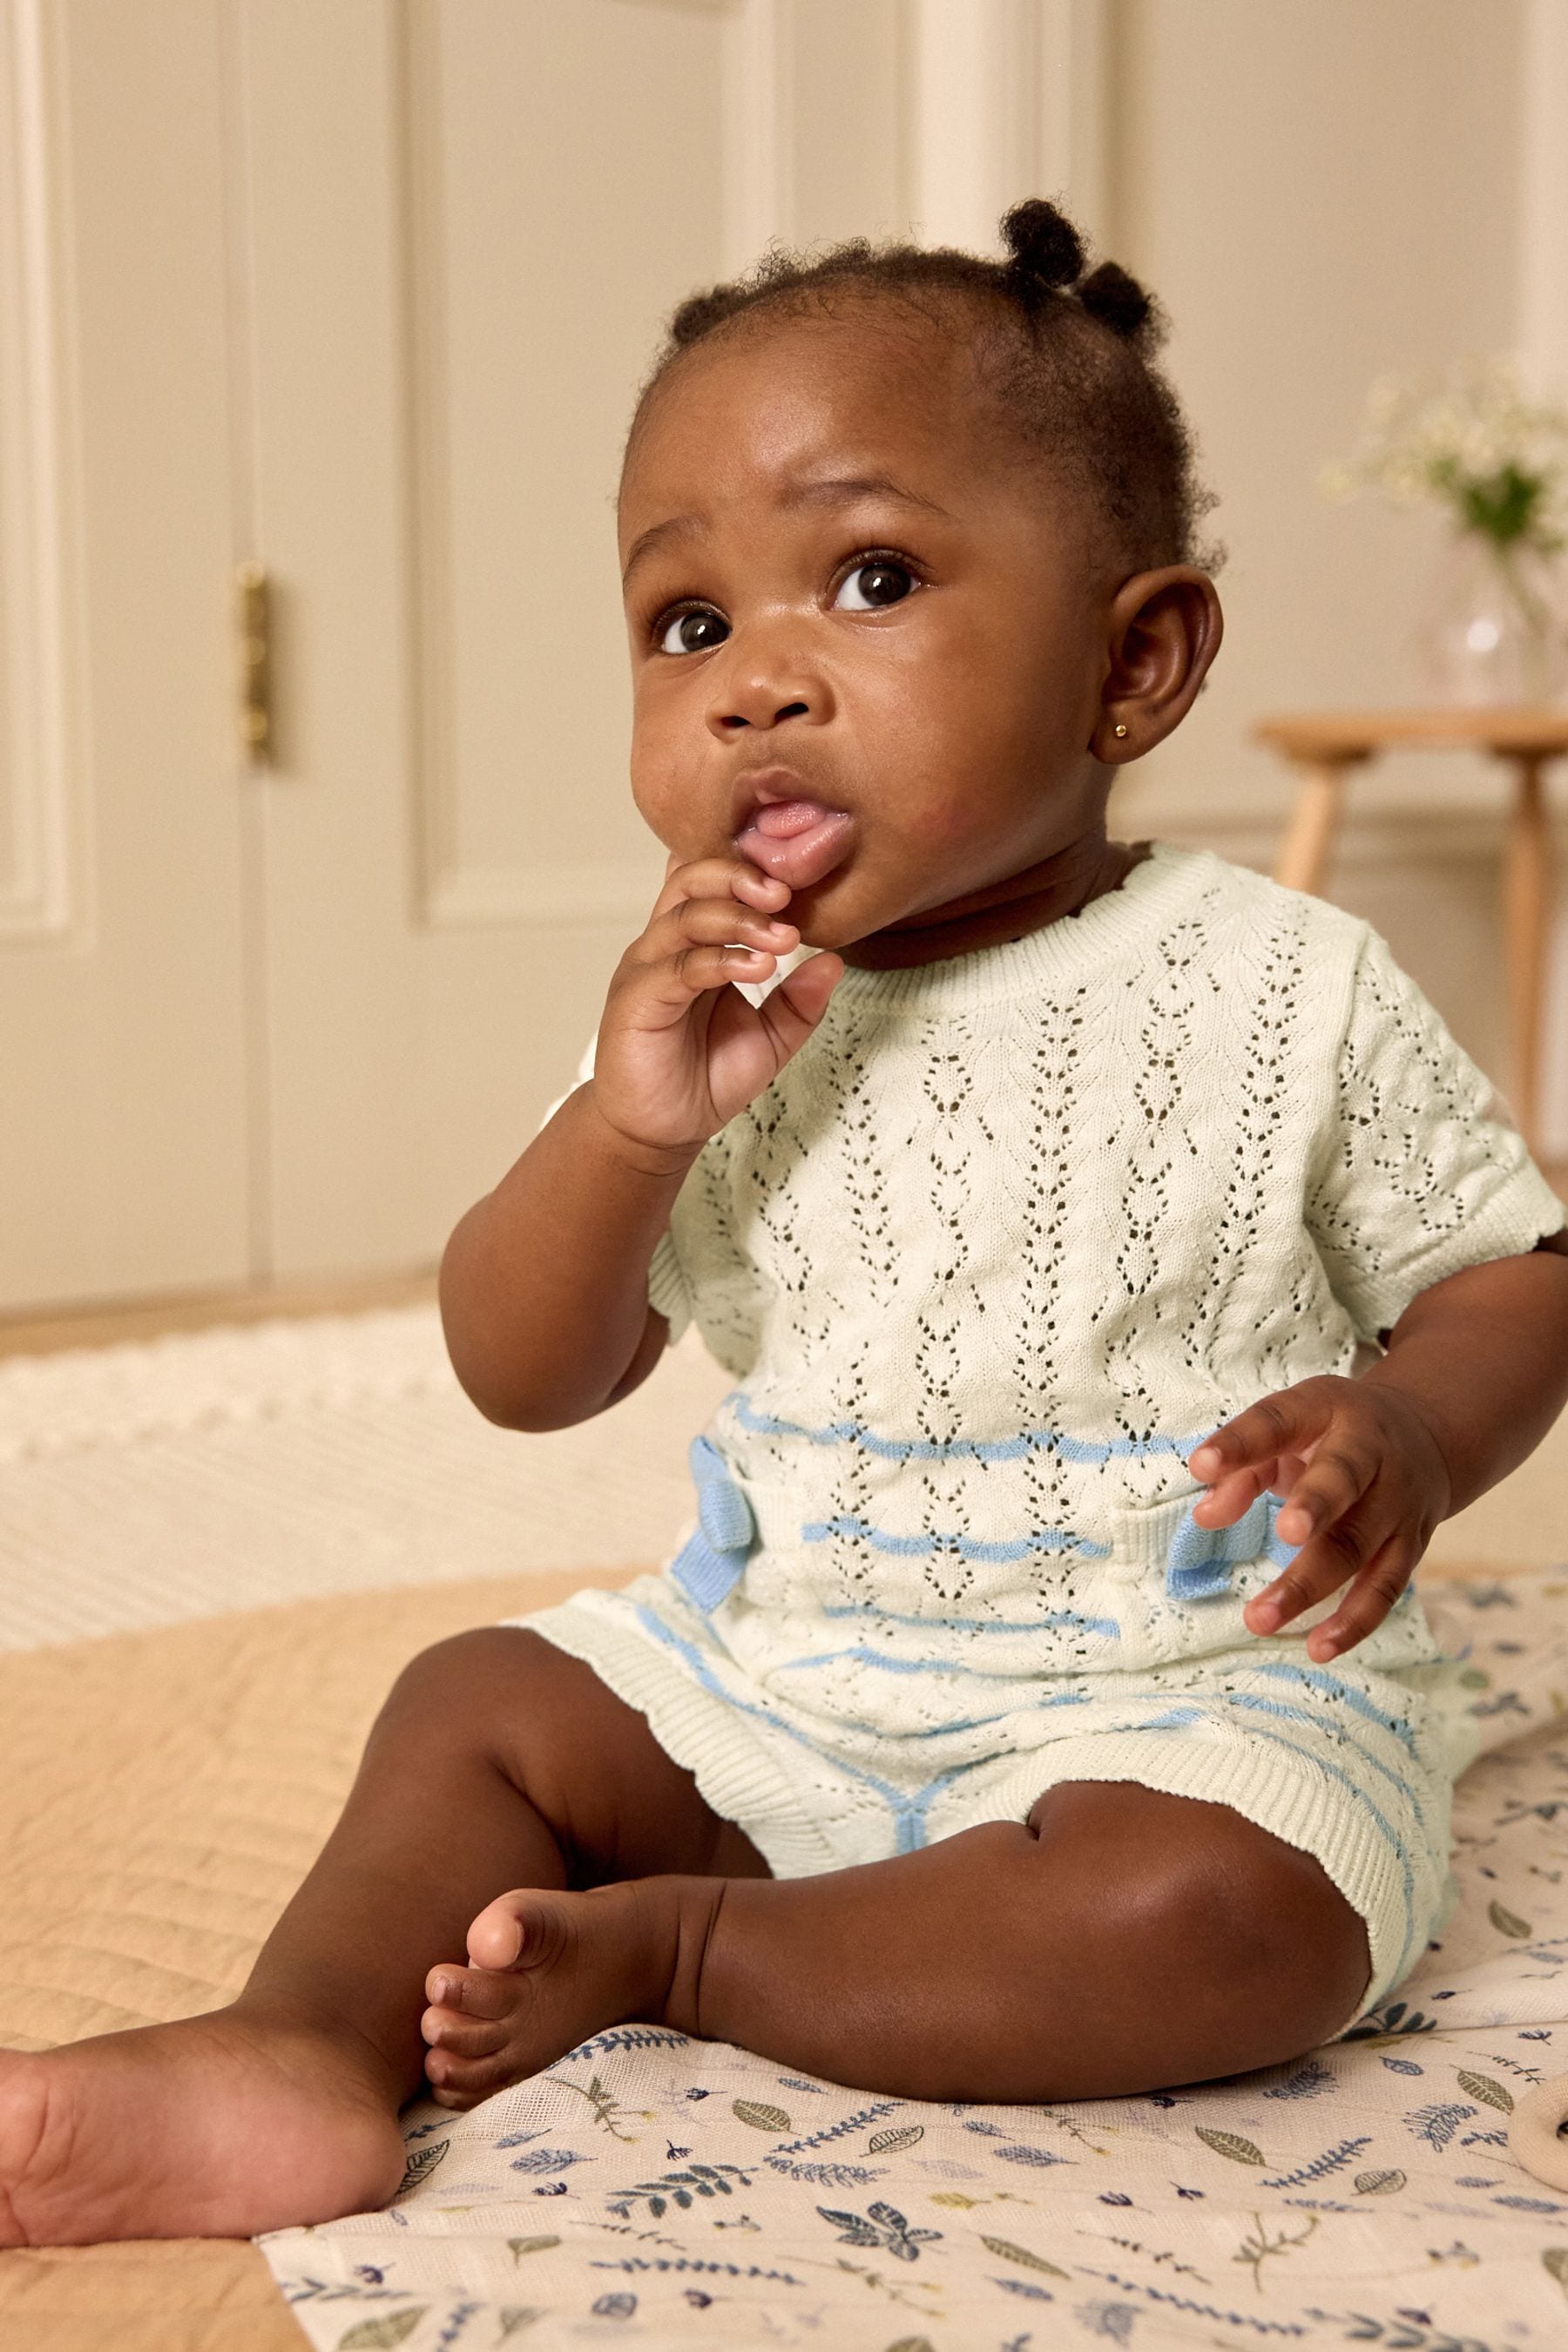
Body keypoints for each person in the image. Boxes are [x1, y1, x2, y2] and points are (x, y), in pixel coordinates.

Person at [3, 199, 1567, 2249]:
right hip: (785, 1683)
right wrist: (626, 1129)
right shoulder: (707, 1007)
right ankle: (293, 2047)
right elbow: (518, 1365)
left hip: (1192, 1694)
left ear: (1134, 663)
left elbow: (1504, 1279)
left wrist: (1418, 1437)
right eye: (687, 623)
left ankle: (696, 1959)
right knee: (477, 1702)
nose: (755, 686)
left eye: (871, 578)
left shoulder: (1283, 981)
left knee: (1236, 1917)